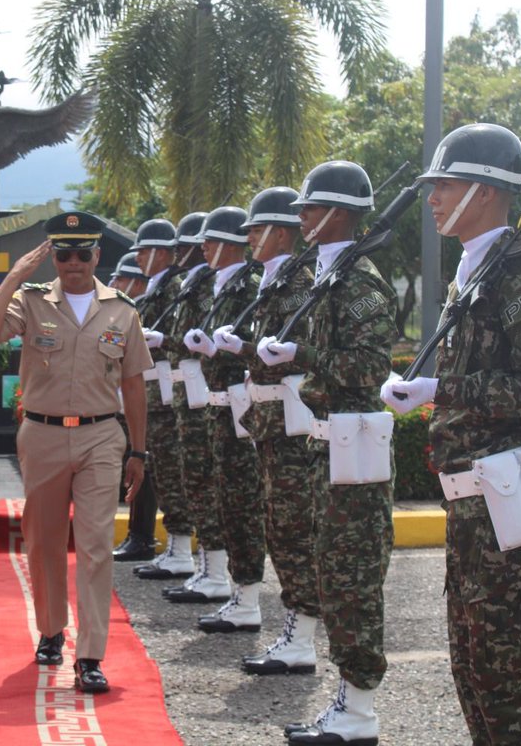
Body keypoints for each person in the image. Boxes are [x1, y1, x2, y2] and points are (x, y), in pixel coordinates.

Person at [382, 124, 521, 745]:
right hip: (472, 500)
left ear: (486, 192)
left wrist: (441, 391)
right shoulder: (478, 271)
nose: (433, 198)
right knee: (473, 670)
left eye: (446, 184)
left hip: (505, 500)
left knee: (506, 677)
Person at [0, 211, 152, 694]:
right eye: (63, 254)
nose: (73, 263)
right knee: (45, 541)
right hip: (44, 433)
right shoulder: (31, 302)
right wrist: (12, 277)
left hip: (100, 436)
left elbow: (133, 384)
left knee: (95, 547)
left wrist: (139, 450)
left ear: (97, 255)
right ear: (53, 256)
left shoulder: (122, 310)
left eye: (82, 253)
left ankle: (89, 655)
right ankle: (51, 629)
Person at [258, 161, 397, 745]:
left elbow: (370, 366)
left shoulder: (360, 283)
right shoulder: (325, 276)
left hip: (353, 448)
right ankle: (351, 704)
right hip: (326, 445)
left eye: (311, 209)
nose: (303, 219)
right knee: (330, 573)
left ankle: (359, 709)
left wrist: (300, 357)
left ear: (338, 212)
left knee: (352, 580)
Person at [212, 187, 321, 675]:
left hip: (292, 425)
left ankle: (301, 636)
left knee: (294, 530)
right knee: (279, 526)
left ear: (280, 232)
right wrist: (244, 348)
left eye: (256, 230)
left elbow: (305, 345)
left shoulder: (298, 280)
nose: (250, 239)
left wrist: (249, 347)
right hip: (270, 421)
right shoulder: (275, 280)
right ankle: (293, 630)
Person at [182, 207, 266, 634]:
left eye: (211, 241)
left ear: (231, 245)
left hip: (239, 402)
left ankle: (247, 596)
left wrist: (221, 349)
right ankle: (234, 589)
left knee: (242, 504)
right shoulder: (219, 285)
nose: (204, 248)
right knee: (223, 499)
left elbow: (254, 342)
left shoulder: (248, 285)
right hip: (217, 404)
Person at [147, 211, 221, 600]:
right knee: (181, 479)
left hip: (201, 397)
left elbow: (194, 340)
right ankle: (187, 556)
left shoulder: (208, 285)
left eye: (184, 247)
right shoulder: (192, 284)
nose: (179, 254)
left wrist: (165, 340)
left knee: (206, 484)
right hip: (180, 395)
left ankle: (215, 571)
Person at [124, 218, 188, 573]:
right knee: (162, 473)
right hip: (154, 393)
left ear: (165, 253)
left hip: (166, 395)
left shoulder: (175, 288)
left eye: (146, 251)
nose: (140, 258)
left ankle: (179, 551)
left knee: (172, 476)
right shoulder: (156, 288)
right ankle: (174, 548)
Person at [109, 246, 155, 562]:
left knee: (144, 471)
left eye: (123, 279)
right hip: (130, 399)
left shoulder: (143, 309)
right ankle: (137, 535)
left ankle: (142, 536)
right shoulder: (129, 310)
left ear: (138, 283)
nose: (115, 285)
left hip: (152, 399)